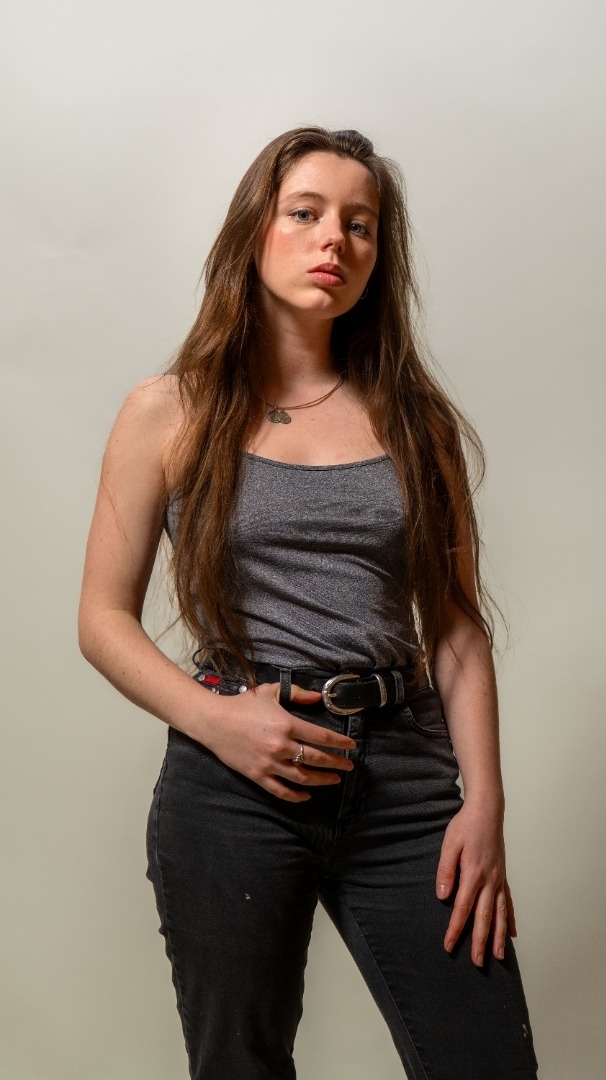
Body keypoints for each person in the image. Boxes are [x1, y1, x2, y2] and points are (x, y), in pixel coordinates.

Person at [78, 126, 538, 1080]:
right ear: (255, 230)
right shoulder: (169, 410)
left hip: (406, 780)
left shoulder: (417, 420)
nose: (335, 239)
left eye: (361, 225)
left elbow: (455, 625)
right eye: (306, 213)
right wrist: (217, 722)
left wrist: (485, 804)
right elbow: (102, 620)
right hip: (236, 776)